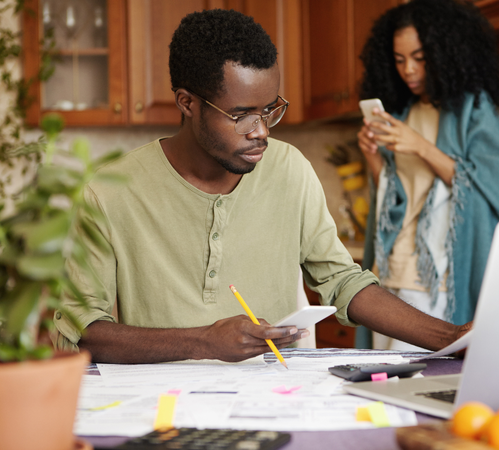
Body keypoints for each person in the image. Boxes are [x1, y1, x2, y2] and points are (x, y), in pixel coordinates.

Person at [53, 8, 471, 364]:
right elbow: (85, 329)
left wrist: (451, 339)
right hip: (158, 404)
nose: (261, 132)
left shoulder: (289, 169)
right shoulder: (109, 191)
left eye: (269, 110)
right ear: (187, 103)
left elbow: (344, 282)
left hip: (275, 396)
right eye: (241, 114)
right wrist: (205, 342)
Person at [357, 0, 499, 350]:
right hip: (390, 271)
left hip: (437, 279)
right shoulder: (405, 111)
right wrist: (372, 157)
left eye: (419, 57)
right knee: (381, 385)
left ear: (444, 53)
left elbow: (492, 189)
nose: (408, 70)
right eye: (399, 60)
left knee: (421, 385)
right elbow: (395, 198)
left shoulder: (472, 108)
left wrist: (421, 146)